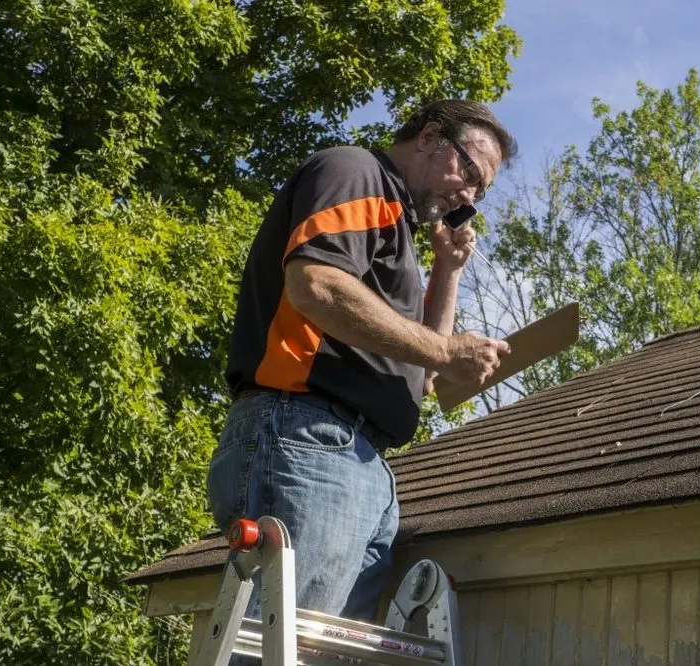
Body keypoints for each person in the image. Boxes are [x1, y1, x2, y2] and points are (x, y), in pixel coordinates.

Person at [206, 99, 517, 626]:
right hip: (308, 436)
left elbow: (422, 380)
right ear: (430, 136)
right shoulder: (355, 171)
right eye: (468, 171)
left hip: (359, 461)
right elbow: (315, 285)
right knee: (284, 646)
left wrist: (448, 271)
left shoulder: (399, 230)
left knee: (315, 651)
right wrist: (445, 350)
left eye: (479, 192)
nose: (467, 194)